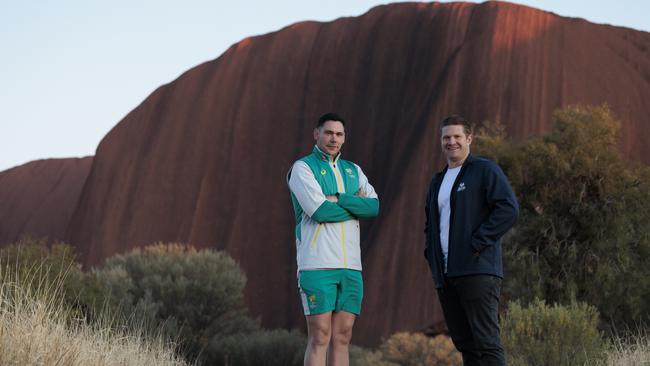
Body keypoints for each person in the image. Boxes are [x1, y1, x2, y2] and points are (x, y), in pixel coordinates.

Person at [424, 115, 519, 365]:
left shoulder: (484, 170)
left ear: (469, 138)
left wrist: (477, 242)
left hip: (477, 270)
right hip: (446, 274)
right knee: (466, 344)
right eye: (446, 137)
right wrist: (431, 255)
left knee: (486, 343)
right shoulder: (438, 181)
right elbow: (431, 224)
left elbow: (509, 209)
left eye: (457, 136)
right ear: (441, 141)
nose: (451, 142)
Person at [288, 112, 379, 366]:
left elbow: (373, 207)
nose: (333, 138)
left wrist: (338, 198)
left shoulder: (354, 170)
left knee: (343, 337)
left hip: (351, 266)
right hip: (317, 264)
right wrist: (355, 203)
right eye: (328, 133)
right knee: (320, 336)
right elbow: (319, 211)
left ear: (344, 138)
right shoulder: (303, 168)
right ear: (316, 134)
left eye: (339, 134)